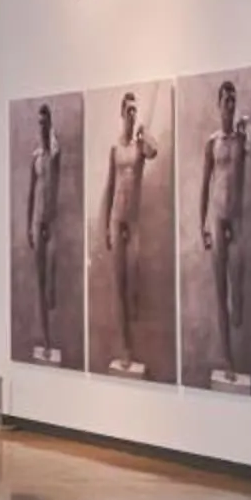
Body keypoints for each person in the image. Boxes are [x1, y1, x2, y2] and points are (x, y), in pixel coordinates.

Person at [197, 79, 251, 385]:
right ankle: (228, 358)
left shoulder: (240, 140)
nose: (230, 105)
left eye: (234, 101)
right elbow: (204, 185)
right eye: (226, 101)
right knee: (220, 293)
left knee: (236, 291)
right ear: (218, 104)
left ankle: (239, 306)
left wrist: (247, 128)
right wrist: (202, 226)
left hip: (235, 220)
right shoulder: (212, 143)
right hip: (216, 217)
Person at [97, 91, 160, 372]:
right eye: (129, 110)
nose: (133, 114)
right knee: (119, 287)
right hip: (116, 218)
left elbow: (154, 151)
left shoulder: (138, 148)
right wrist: (106, 230)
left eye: (136, 110)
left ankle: (134, 343)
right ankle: (125, 348)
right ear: (122, 113)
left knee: (134, 282)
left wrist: (145, 134)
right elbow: (109, 187)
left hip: (132, 222)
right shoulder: (115, 149)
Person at [24, 104, 62, 360]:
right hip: (37, 220)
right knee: (39, 282)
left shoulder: (54, 154)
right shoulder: (35, 157)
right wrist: (29, 225)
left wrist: (52, 138)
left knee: (50, 281)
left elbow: (56, 153)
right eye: (39, 122)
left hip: (52, 220)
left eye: (45, 122)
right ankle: (46, 340)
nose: (42, 126)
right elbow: (30, 194)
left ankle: (52, 306)